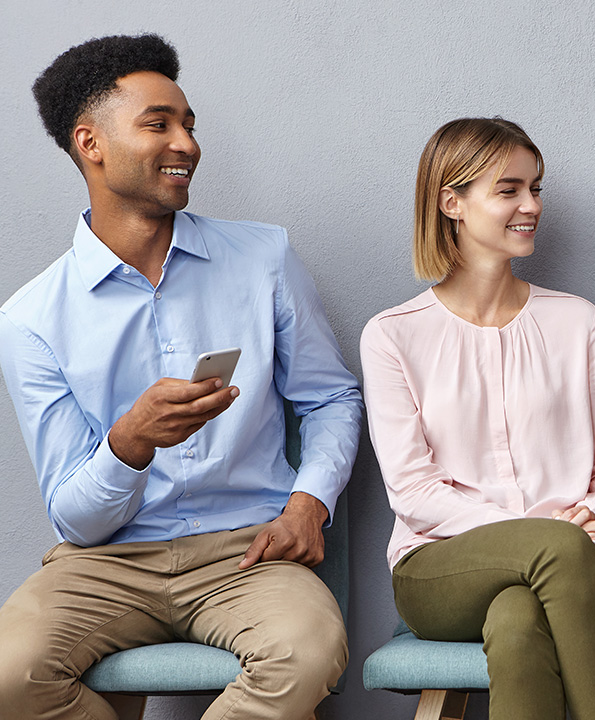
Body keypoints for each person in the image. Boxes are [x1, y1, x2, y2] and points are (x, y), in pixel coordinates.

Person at [0, 34, 363, 719]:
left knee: (307, 653)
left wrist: (308, 503)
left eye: (189, 125)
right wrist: (129, 442)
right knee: (10, 673)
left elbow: (332, 398)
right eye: (158, 124)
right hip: (109, 563)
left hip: (247, 551)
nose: (187, 144)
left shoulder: (263, 257)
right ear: (91, 143)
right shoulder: (30, 320)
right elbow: (74, 518)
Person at [360, 117, 595, 720]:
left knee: (516, 621)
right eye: (509, 189)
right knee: (557, 552)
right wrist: (548, 531)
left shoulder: (576, 322)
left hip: (579, 570)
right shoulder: (392, 336)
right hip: (438, 570)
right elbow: (413, 491)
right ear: (451, 202)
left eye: (535, 188)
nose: (531, 206)